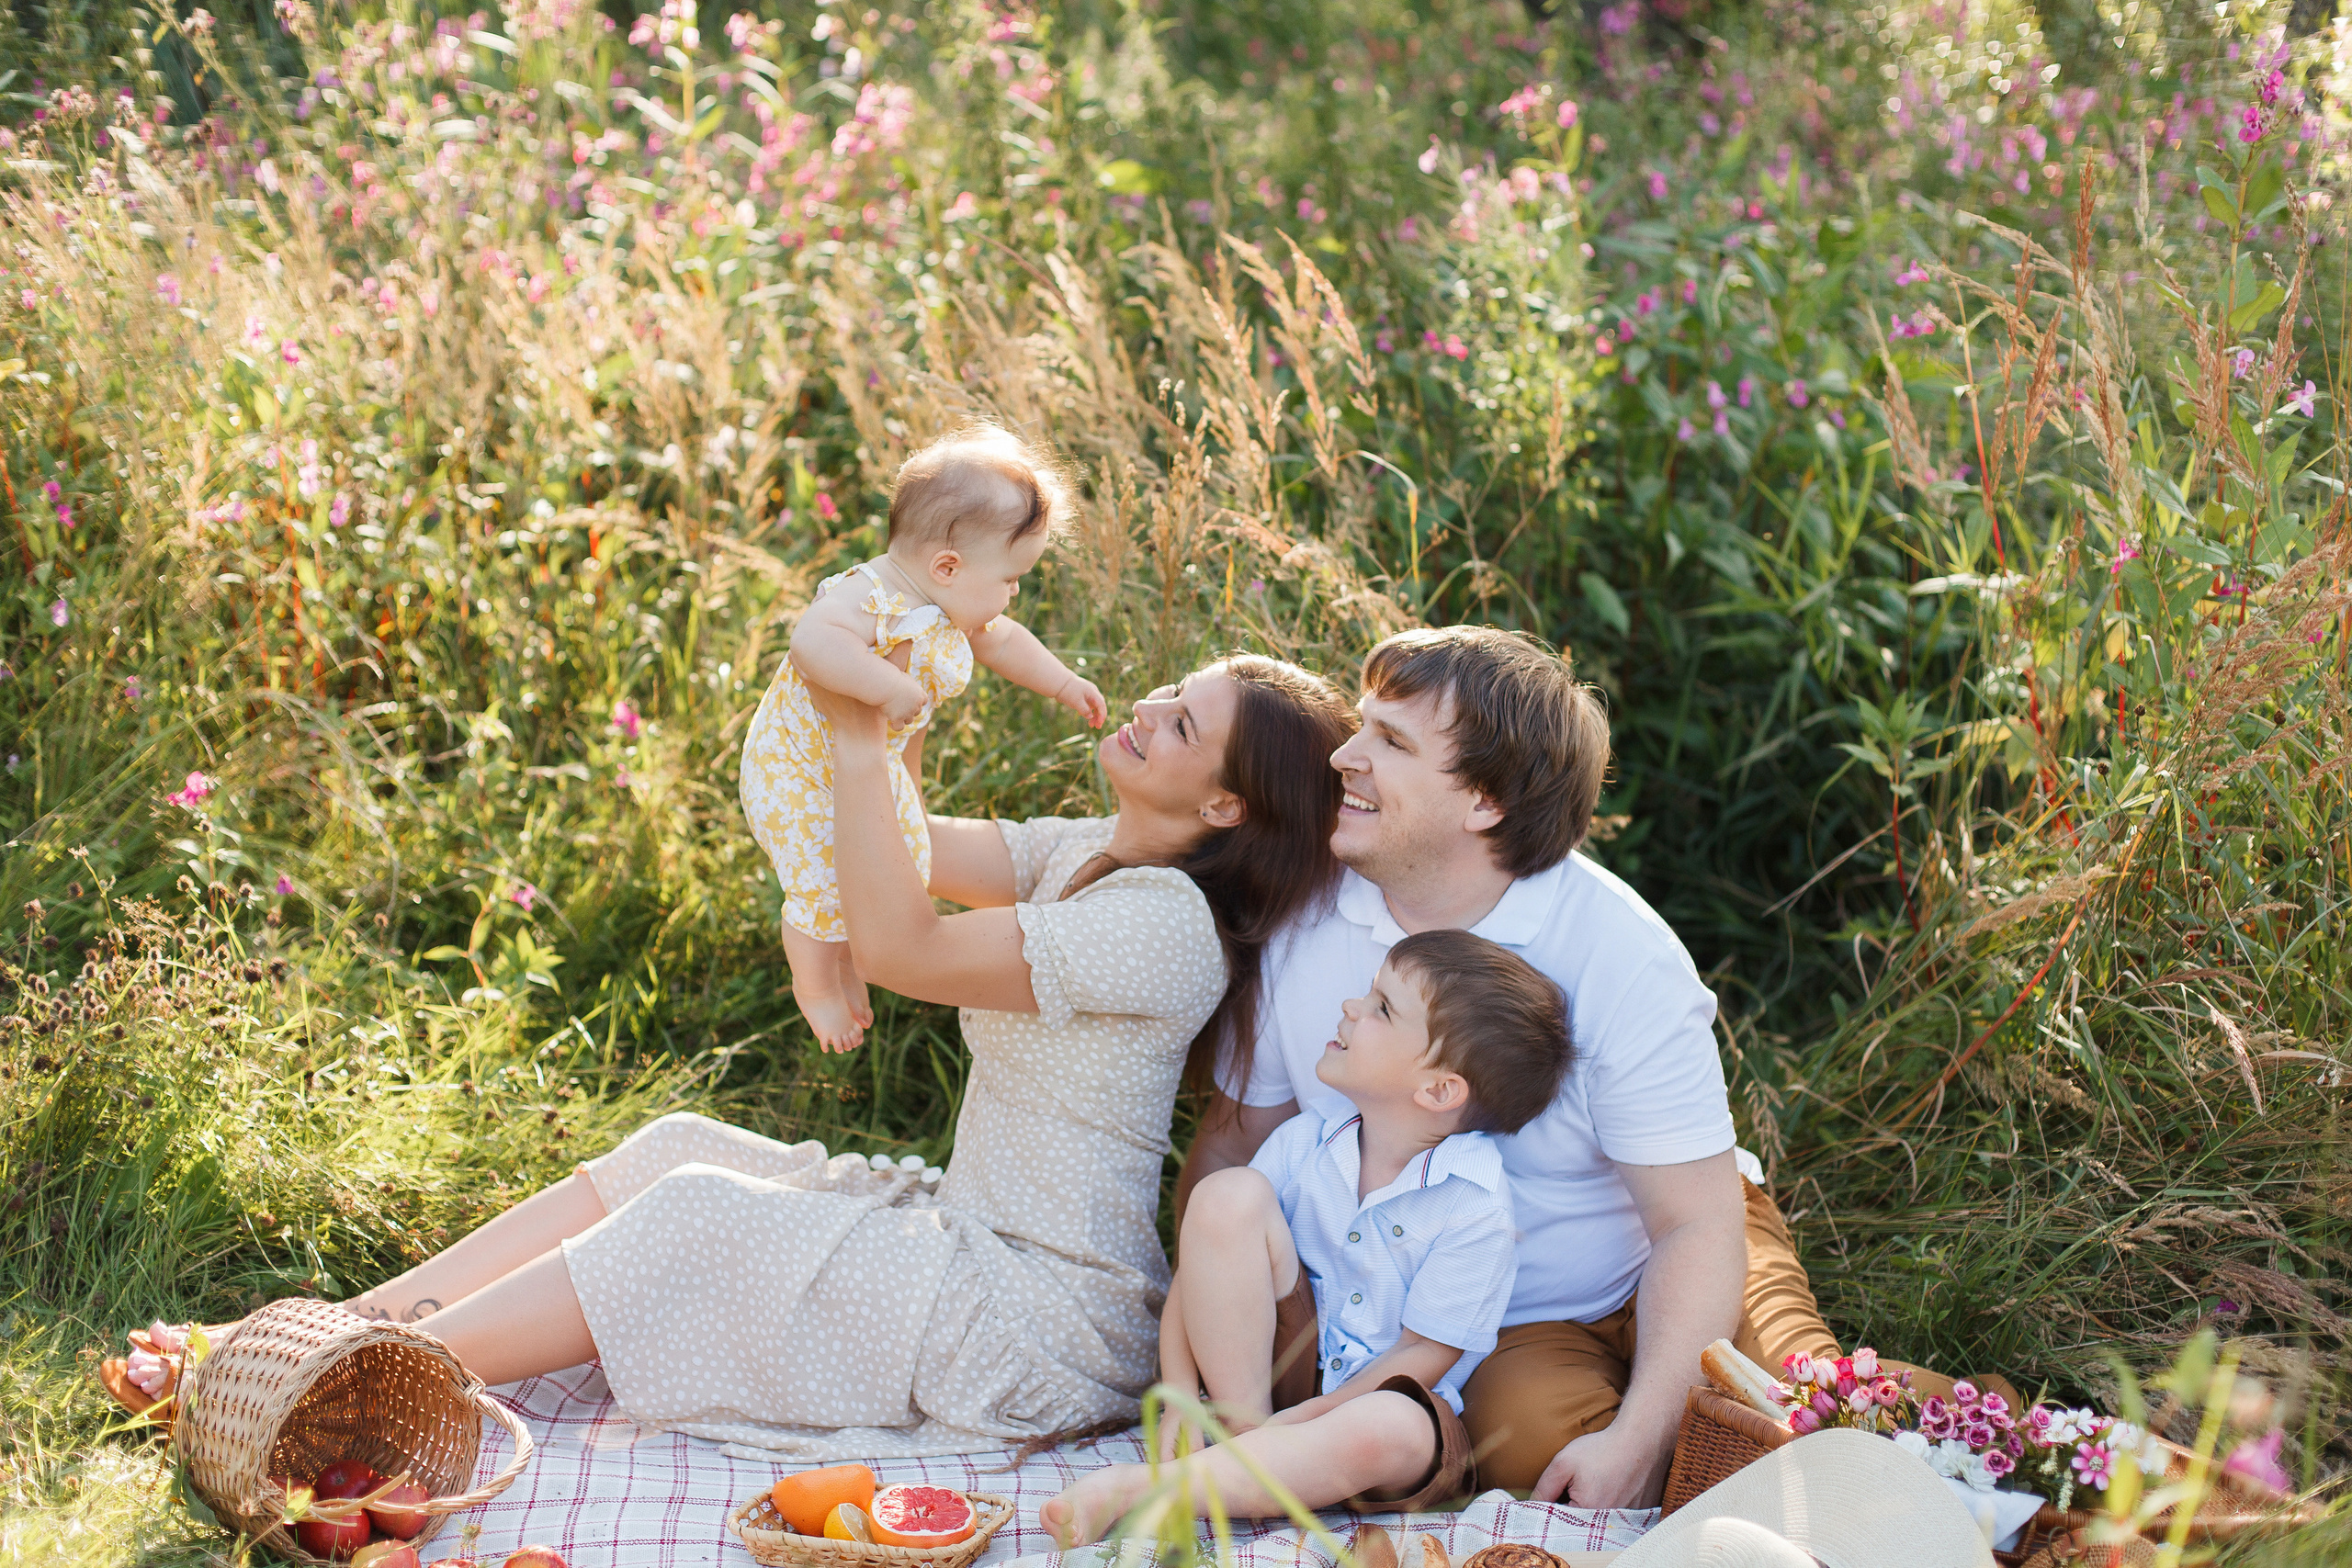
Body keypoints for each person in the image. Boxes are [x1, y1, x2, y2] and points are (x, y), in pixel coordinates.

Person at [106, 656, 1358, 1463]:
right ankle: (335, 1326)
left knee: (697, 1218)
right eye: (1165, 693)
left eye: (1180, 720)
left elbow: (902, 941)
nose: (1145, 708)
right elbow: (909, 846)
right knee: (678, 1146)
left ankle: (334, 1381)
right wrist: (900, 700)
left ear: (1229, 804)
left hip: (1035, 1313)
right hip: (972, 1232)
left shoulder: (1163, 927)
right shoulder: (1094, 847)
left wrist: (864, 743)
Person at [1177, 625, 1843, 1508]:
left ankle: (2026, 1462)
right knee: (1543, 1455)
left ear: (1484, 801)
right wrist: (1180, 1356)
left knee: (1813, 1412)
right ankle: (1704, 1458)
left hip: (1683, 1239)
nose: (1345, 754)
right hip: (1501, 1316)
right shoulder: (1309, 923)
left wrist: (1641, 1436)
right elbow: (1231, 1154)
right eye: (1360, 725)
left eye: (1391, 741)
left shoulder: (1619, 949)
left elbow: (1696, 1221)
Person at [1044, 930, 1573, 1548]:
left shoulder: (1475, 1203)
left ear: (1437, 1089)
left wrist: (1308, 1419)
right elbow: (1203, 1265)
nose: (1352, 1006)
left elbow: (1422, 1356)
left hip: (1374, 1403)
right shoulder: (1307, 1139)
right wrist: (1182, 1393)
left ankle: (1153, 1488)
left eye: (1381, 1007)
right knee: (1226, 1195)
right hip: (1271, 1386)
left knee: (1396, 1424)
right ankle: (1243, 1441)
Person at [739, 424, 1110, 1053]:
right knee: (821, 873)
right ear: (947, 565)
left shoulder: (950, 598)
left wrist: (1063, 682)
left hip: (865, 763)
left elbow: (1006, 641)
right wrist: (882, 685)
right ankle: (817, 984)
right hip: (798, 767)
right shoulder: (872, 595)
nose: (1012, 594)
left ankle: (853, 951)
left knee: (894, 863)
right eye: (1010, 578)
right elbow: (812, 642)